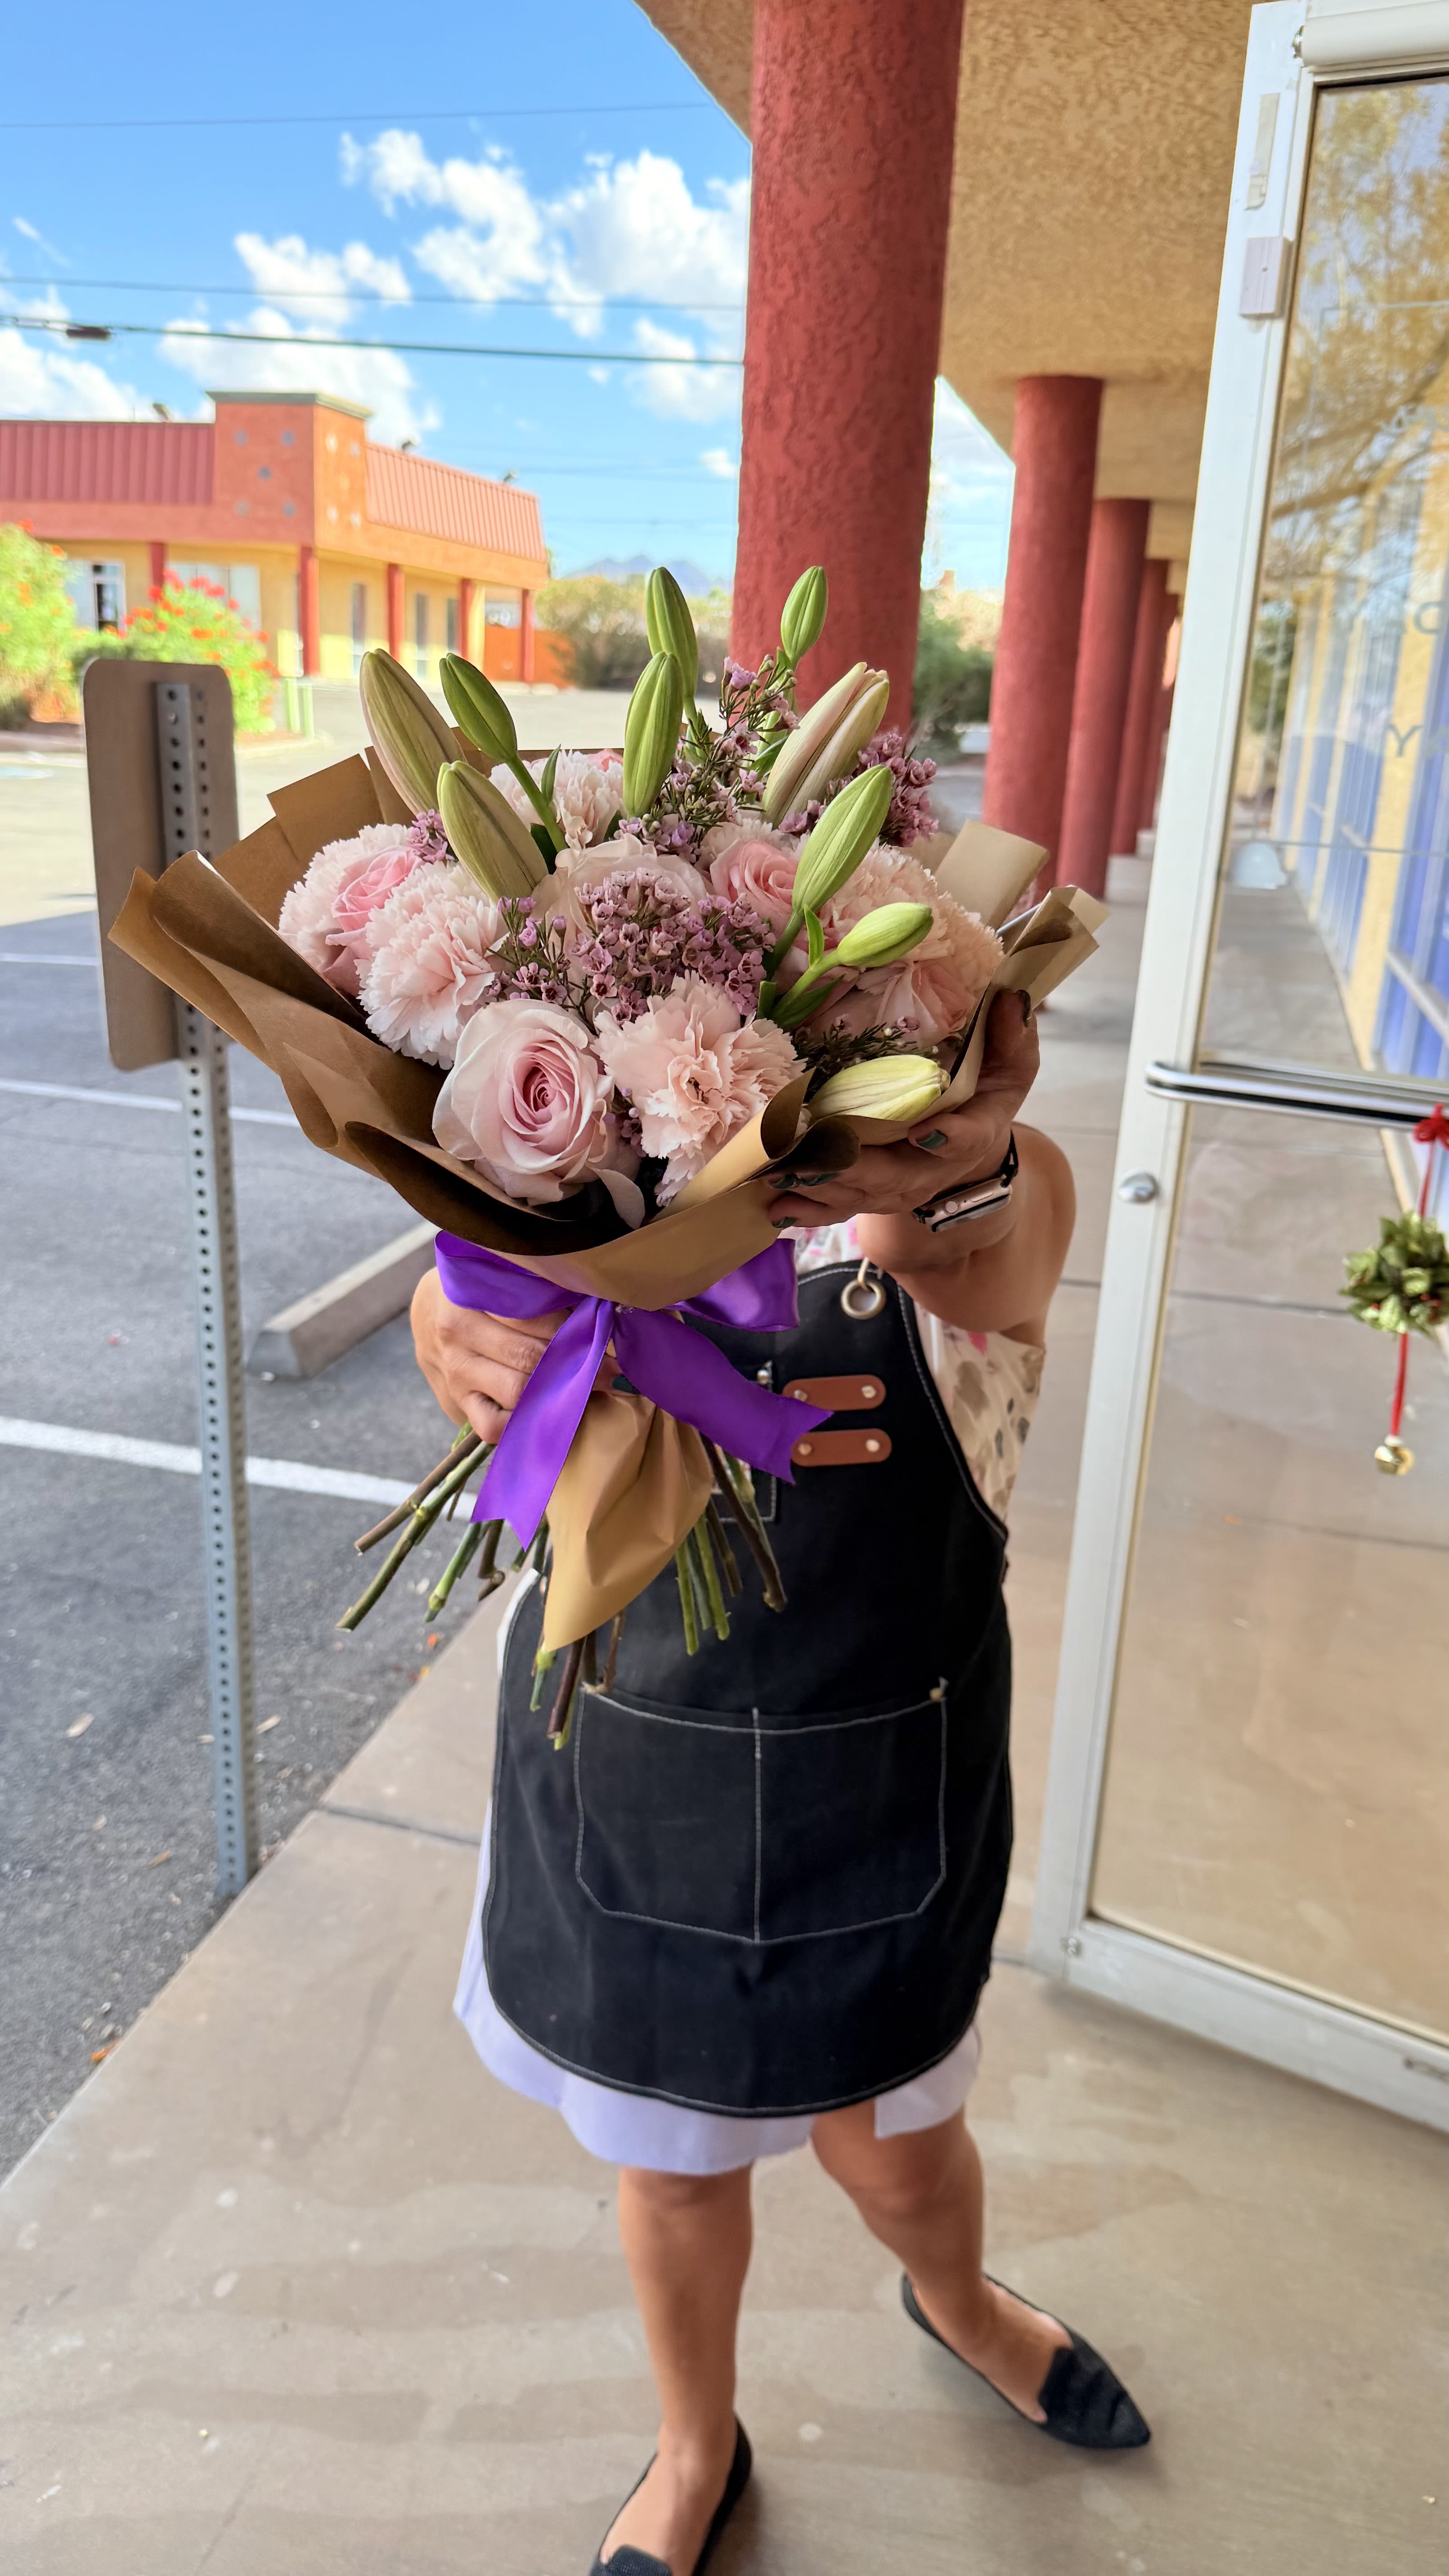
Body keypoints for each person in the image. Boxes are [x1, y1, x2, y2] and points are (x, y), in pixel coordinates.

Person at [410, 990, 1150, 2576]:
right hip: (631, 1796)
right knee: (673, 2176)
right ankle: (698, 2447)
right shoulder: (597, 1206)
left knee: (899, 2154)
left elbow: (990, 1236)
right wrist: (444, 1311)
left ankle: (959, 2302)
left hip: (877, 1807)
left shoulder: (953, 1211)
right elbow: (491, 1335)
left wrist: (954, 1159)